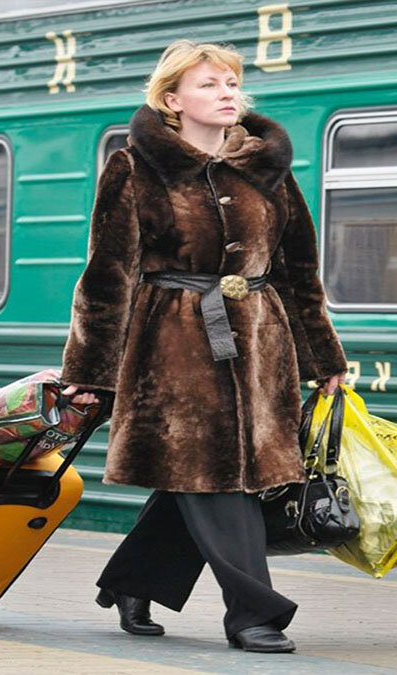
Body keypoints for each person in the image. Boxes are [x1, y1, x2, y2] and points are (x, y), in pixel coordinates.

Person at [59, 40, 347, 654]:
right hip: (173, 344)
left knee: (207, 473)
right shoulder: (134, 168)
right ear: (172, 100)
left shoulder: (268, 169)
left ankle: (135, 582)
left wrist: (325, 360)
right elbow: (109, 272)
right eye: (210, 84)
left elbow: (299, 272)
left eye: (231, 83)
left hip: (261, 345)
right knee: (218, 478)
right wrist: (90, 370)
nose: (227, 94)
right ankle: (253, 613)